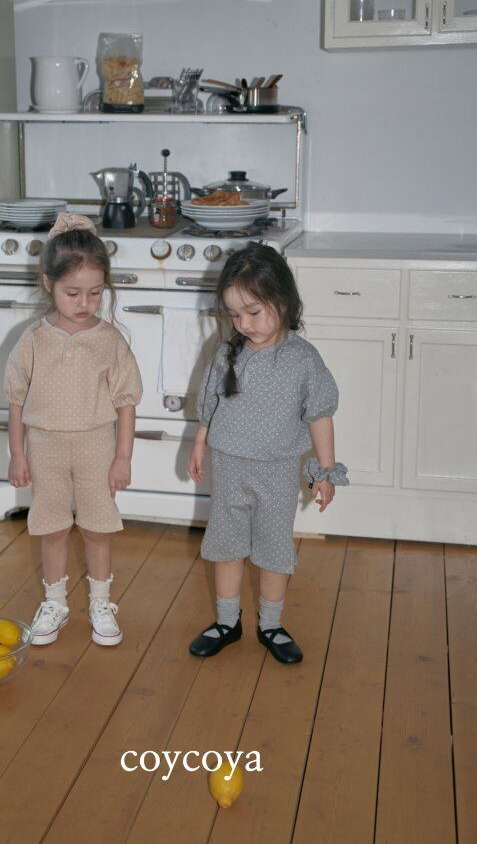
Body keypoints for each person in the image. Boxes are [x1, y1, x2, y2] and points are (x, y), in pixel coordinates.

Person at [188, 242, 348, 665]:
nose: (244, 324)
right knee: (226, 544)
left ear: (283, 302)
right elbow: (211, 404)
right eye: (234, 315)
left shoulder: (302, 359)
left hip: (277, 470)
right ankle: (227, 621)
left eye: (253, 312)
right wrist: (200, 443)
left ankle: (271, 624)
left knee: (274, 547)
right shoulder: (228, 352)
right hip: (228, 464)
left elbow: (320, 415)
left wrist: (326, 470)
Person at [4, 212, 142, 648]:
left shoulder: (110, 339)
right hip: (44, 447)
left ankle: (101, 601)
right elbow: (16, 399)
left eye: (95, 293)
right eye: (73, 293)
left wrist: (123, 457)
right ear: (48, 284)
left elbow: (126, 401)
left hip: (96, 446)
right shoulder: (33, 339)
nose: (85, 303)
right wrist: (17, 453)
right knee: (51, 527)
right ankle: (55, 602)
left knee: (98, 528)